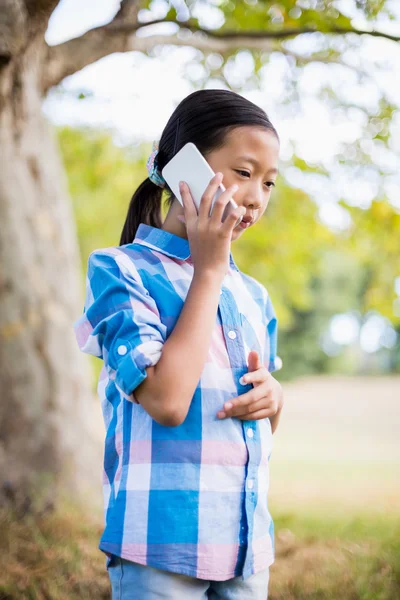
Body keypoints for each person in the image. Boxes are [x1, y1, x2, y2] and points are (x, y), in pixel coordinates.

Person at [74, 89, 284, 600]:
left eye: (269, 182)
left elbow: (260, 426)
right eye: (243, 172)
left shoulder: (253, 295)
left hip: (244, 547)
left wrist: (274, 399)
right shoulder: (120, 270)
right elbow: (167, 402)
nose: (256, 196)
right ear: (182, 168)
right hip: (160, 547)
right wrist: (208, 269)